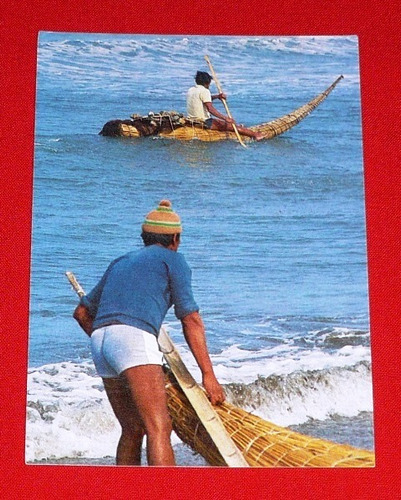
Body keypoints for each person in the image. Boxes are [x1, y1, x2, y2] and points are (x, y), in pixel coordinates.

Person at [73, 199, 225, 466]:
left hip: (100, 341)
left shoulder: (121, 261)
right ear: (175, 238)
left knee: (132, 429)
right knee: (159, 428)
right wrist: (208, 376)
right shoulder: (174, 261)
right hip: (133, 338)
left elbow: (82, 314)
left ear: (144, 237)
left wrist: (116, 351)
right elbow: (191, 319)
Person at [186, 71, 264, 140]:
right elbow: (210, 109)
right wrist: (225, 118)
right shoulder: (205, 91)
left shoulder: (191, 90)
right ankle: (255, 135)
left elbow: (203, 100)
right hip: (204, 122)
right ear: (207, 82)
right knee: (232, 126)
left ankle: (240, 128)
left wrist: (217, 96)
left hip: (192, 120)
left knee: (227, 124)